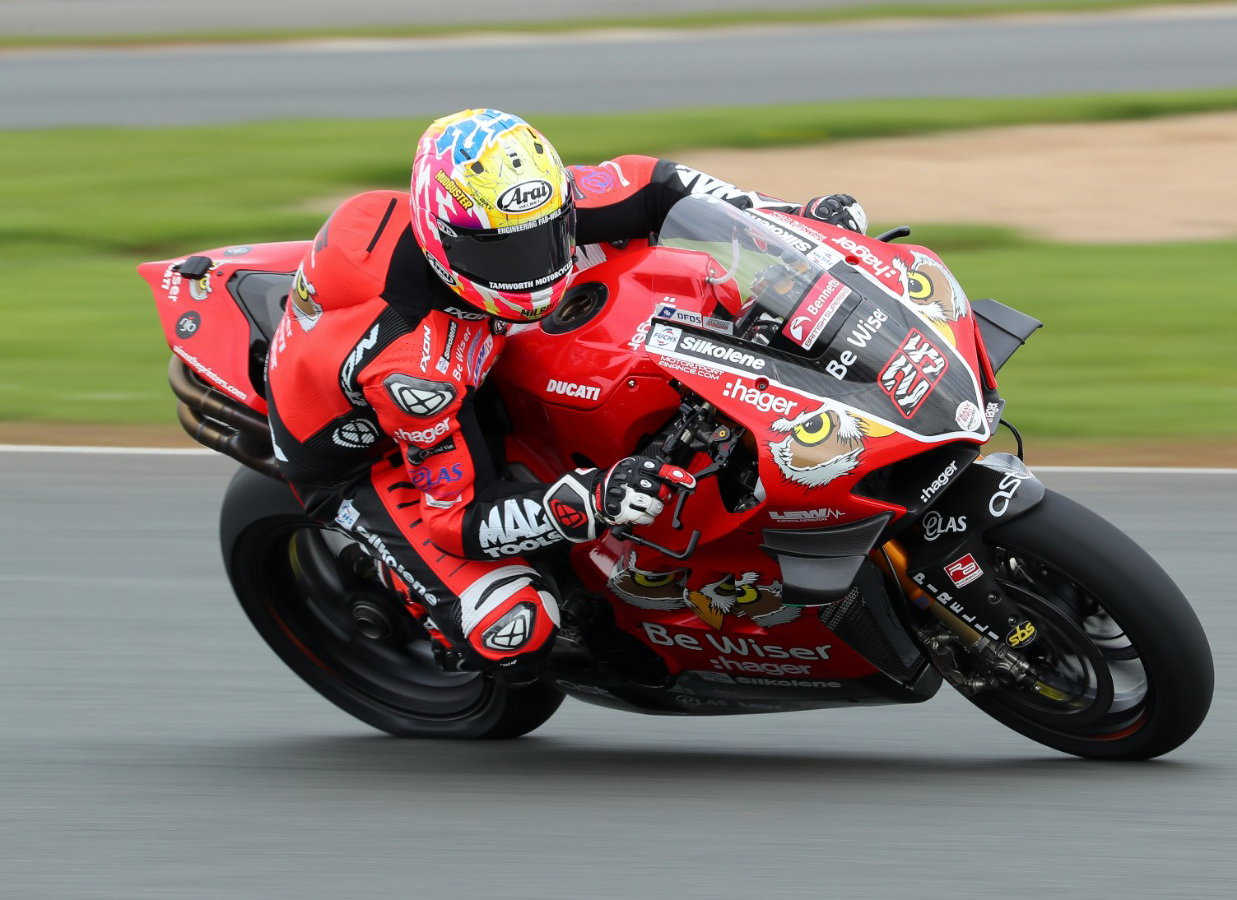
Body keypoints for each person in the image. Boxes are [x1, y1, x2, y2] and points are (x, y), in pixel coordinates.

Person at [264, 108, 867, 684]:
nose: (532, 268)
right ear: (439, 236)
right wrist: (594, 500)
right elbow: (456, 519)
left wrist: (790, 220)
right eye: (502, 252)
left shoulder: (518, 206)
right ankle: (440, 604)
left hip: (466, 349)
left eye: (545, 237)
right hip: (368, 456)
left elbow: (655, 183)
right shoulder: (416, 371)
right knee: (512, 628)